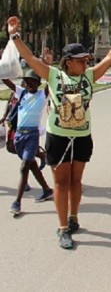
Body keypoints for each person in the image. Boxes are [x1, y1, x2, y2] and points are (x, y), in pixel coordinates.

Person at [7, 14, 111, 249]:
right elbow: (29, 57)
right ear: (68, 61)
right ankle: (63, 227)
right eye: (81, 60)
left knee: (77, 181)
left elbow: (110, 56)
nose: (86, 62)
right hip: (59, 136)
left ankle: (74, 218)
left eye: (86, 59)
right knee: (61, 182)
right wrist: (14, 35)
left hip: (82, 136)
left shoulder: (89, 76)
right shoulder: (54, 75)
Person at [2, 69, 53, 215]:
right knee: (31, 165)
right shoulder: (21, 93)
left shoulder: (42, 95)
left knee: (24, 167)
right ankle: (46, 189)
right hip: (19, 136)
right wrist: (3, 64)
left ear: (39, 83)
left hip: (32, 135)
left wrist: (46, 66)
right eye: (27, 81)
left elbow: (51, 80)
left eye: (33, 81)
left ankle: (17, 202)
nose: (30, 83)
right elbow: (6, 81)